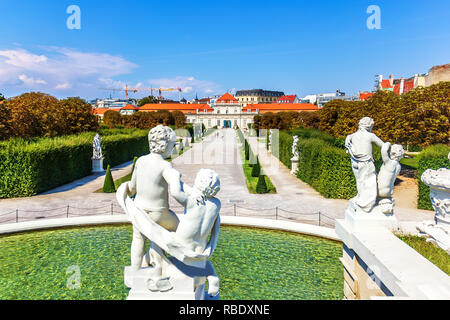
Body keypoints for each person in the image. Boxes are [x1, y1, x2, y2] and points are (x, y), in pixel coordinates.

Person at [125, 125, 188, 272]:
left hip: (139, 210)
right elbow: (175, 191)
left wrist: (124, 191)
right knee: (181, 229)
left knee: (138, 240)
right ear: (164, 144)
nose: (173, 148)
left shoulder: (140, 161)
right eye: (172, 145)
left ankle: (135, 271)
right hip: (158, 213)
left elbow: (132, 188)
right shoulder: (165, 165)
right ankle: (160, 259)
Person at [345, 117, 386, 212]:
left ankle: (360, 196)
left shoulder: (352, 136)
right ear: (368, 126)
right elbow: (383, 145)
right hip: (366, 162)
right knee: (369, 183)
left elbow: (348, 143)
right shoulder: (370, 136)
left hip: (354, 161)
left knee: (359, 180)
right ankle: (365, 202)